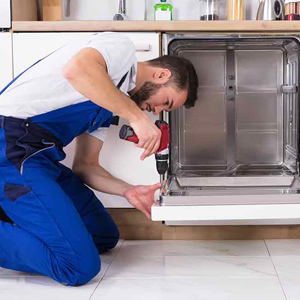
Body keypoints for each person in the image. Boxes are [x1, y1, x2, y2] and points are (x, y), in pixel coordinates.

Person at [0, 32, 198, 286]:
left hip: (40, 159)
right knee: (77, 266)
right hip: (10, 148)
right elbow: (77, 70)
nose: (156, 112)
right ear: (161, 75)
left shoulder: (110, 105)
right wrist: (136, 117)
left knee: (103, 235)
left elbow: (85, 166)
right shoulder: (119, 49)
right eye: (165, 103)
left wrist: (129, 191)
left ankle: (16, 212)